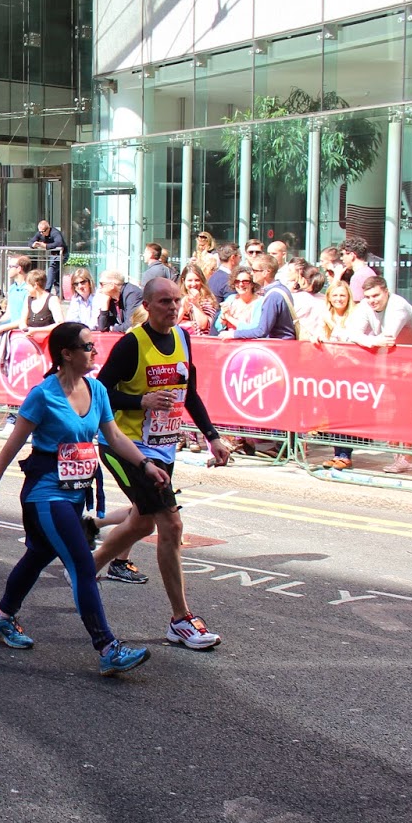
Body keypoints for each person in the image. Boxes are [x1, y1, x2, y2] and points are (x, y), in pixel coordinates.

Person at [0, 321, 159, 677]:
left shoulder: (97, 391)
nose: (95, 352)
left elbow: (115, 437)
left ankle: (2, 617)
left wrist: (146, 465)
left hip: (75, 494)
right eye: (89, 347)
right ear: (67, 354)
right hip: (45, 493)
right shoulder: (43, 395)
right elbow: (14, 442)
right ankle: (107, 647)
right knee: (81, 564)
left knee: (38, 555)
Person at [91, 277, 233, 648]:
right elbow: (99, 392)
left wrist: (212, 436)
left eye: (177, 301)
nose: (172, 307)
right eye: (164, 301)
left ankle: (85, 570)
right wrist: (141, 402)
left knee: (140, 523)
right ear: (149, 306)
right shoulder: (131, 344)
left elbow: (192, 393)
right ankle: (181, 620)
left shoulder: (184, 338)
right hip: (126, 446)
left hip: (163, 447)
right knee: (171, 524)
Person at [319, 277, 412, 472]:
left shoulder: (398, 306)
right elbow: (351, 334)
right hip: (391, 362)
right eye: (368, 296)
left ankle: (407, 457)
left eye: (376, 296)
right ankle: (399, 454)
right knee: (396, 409)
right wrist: (372, 341)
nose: (372, 300)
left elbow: (388, 336)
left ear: (386, 292)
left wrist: (367, 339)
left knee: (405, 409)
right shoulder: (365, 305)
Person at [219, 255, 296, 340]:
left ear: (266, 272)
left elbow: (261, 331)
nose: (251, 273)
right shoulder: (281, 289)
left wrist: (234, 334)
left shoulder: (273, 295)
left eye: (254, 270)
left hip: (280, 346)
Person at [177, 265, 218, 334]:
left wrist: (195, 304)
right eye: (190, 280)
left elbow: (203, 326)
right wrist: (183, 308)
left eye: (197, 280)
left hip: (199, 341)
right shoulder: (177, 299)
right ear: (183, 281)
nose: (193, 284)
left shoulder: (208, 300)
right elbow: (172, 323)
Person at [28, 220, 67, 290]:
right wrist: (33, 245)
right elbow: (31, 241)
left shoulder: (55, 233)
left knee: (52, 268)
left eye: (43, 231)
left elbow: (59, 243)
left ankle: (46, 290)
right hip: (54, 255)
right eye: (40, 231)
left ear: (48, 228)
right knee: (56, 276)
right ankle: (59, 294)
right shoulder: (40, 233)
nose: (41, 233)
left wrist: (45, 246)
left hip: (62, 254)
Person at [340, 236, 375, 302]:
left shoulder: (357, 277)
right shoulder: (369, 272)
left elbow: (355, 303)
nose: (341, 258)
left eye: (343, 254)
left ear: (352, 255)